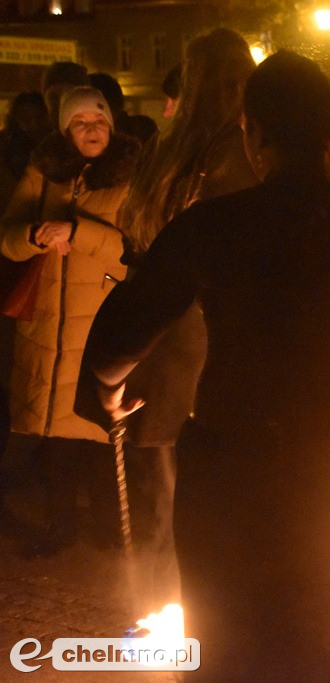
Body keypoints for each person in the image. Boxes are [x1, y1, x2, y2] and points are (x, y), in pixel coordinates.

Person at [79, 51, 330, 680]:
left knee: (229, 629)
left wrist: (109, 391)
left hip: (235, 456)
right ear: (328, 134)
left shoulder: (213, 226)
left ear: (255, 132)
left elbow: (123, 331)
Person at [82, 27, 258, 614]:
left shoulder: (164, 151)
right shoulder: (236, 155)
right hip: (211, 346)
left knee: (166, 499)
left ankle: (167, 629)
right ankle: (207, 635)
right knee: (216, 504)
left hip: (157, 341)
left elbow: (140, 252)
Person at [0, 86, 139, 557]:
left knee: (99, 435)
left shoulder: (129, 179)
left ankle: (111, 533)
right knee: (54, 438)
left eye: (98, 121)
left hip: (101, 322)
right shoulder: (43, 174)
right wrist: (35, 236)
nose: (91, 129)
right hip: (47, 329)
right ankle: (61, 529)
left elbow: (135, 254)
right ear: (65, 130)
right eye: (80, 122)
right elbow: (8, 241)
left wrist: (79, 234)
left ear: (112, 126)